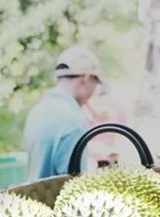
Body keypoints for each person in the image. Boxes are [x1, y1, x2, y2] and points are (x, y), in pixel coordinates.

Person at [23, 46, 103, 181]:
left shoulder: (38, 111)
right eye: (95, 84)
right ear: (86, 79)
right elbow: (75, 189)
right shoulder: (73, 122)